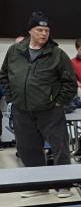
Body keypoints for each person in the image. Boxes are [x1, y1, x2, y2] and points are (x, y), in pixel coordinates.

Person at [0, 12, 77, 194]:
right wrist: (12, 98)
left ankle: (63, 185)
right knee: (28, 149)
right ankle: (38, 186)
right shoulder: (15, 51)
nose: (44, 34)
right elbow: (4, 75)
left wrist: (58, 102)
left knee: (60, 148)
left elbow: (70, 83)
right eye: (39, 29)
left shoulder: (57, 54)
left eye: (47, 30)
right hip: (22, 110)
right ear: (30, 31)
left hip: (50, 111)